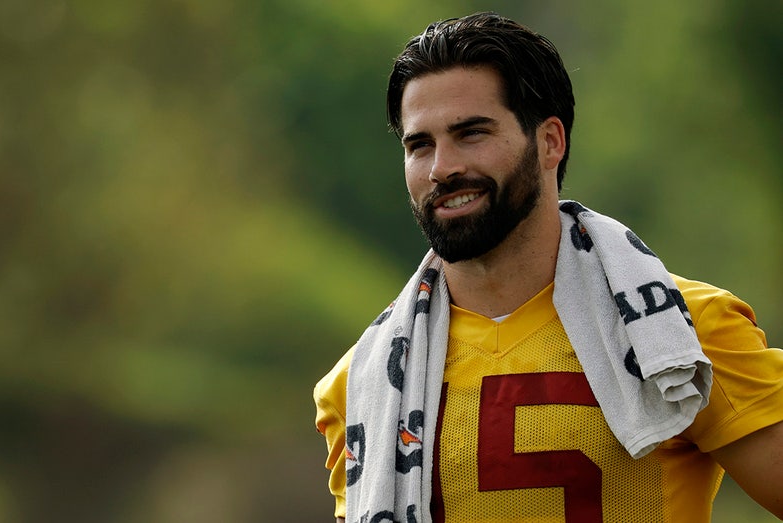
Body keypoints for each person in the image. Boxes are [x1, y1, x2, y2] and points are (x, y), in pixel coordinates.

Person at [314, 12, 783, 523]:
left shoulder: (683, 332)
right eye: (419, 145)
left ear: (550, 142)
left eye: (471, 133)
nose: (441, 168)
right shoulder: (361, 382)